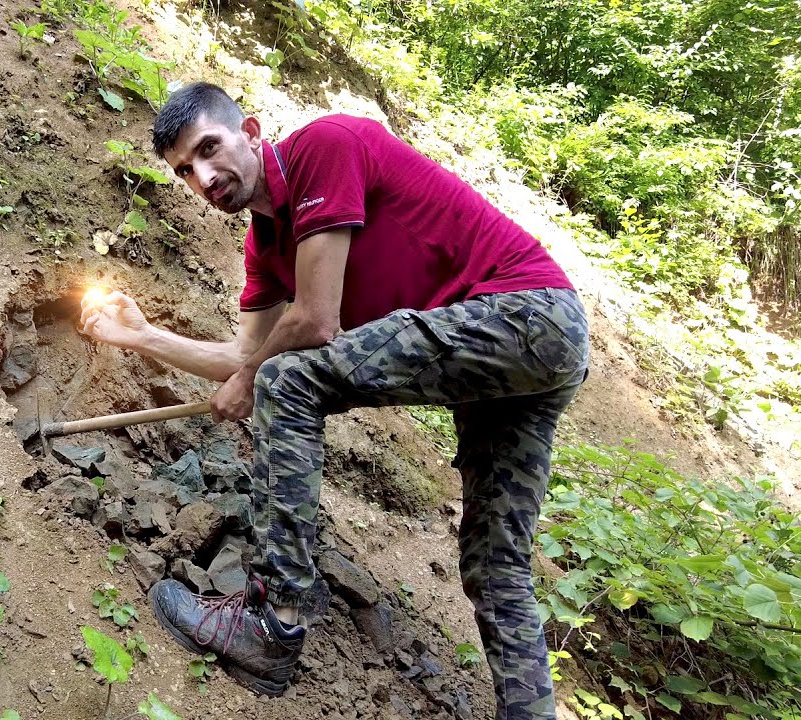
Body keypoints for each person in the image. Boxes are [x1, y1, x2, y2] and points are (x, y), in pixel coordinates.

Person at [78, 82, 589, 719]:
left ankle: (273, 621)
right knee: (496, 566)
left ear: (253, 131)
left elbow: (316, 323)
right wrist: (142, 336)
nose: (204, 176)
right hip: (521, 360)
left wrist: (253, 380)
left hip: (528, 314)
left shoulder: (326, 146)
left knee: (287, 382)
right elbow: (247, 358)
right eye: (186, 170)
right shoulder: (265, 249)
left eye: (210, 149)